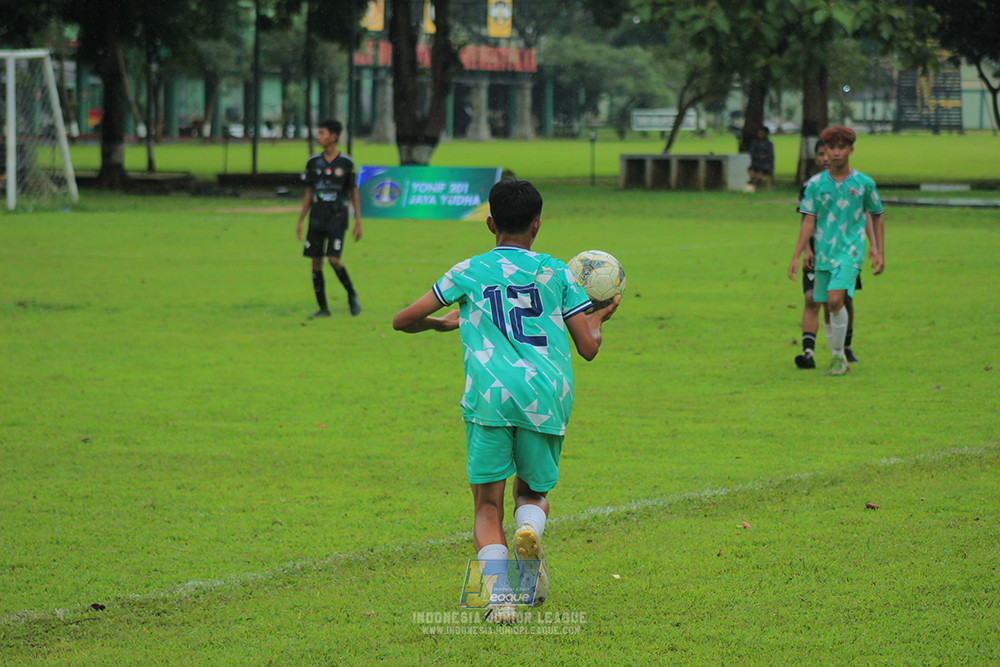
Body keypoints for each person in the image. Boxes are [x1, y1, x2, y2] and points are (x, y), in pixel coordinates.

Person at [392, 179, 619, 623]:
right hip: (545, 394)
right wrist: (599, 317)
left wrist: (441, 325)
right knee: (532, 492)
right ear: (537, 225)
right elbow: (587, 348)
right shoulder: (558, 273)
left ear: (490, 223)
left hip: (490, 397)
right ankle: (530, 529)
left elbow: (403, 320)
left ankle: (500, 601)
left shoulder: (469, 271)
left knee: (487, 505)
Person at [789, 126, 884, 376]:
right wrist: (797, 254)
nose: (836, 153)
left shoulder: (864, 183)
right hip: (824, 252)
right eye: (831, 148)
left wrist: (878, 250)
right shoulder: (815, 185)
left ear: (851, 150)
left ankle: (840, 355)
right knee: (827, 306)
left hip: (851, 252)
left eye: (842, 148)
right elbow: (807, 220)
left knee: (835, 300)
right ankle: (837, 357)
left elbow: (875, 215)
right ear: (824, 153)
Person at [296, 119, 362, 318]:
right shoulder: (313, 162)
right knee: (316, 262)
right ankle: (323, 308)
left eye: (323, 133)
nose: (319, 136)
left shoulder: (346, 163)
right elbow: (309, 192)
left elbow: (354, 194)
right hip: (317, 218)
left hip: (337, 217)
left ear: (333, 137)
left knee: (333, 259)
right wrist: (300, 219)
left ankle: (352, 294)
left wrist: (358, 222)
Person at [748, 126, 775, 191]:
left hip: (766, 164)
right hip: (756, 163)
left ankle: (752, 184)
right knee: (752, 170)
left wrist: (762, 157)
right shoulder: (755, 143)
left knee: (760, 171)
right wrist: (760, 156)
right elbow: (752, 154)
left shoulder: (769, 144)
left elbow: (770, 156)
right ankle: (754, 182)